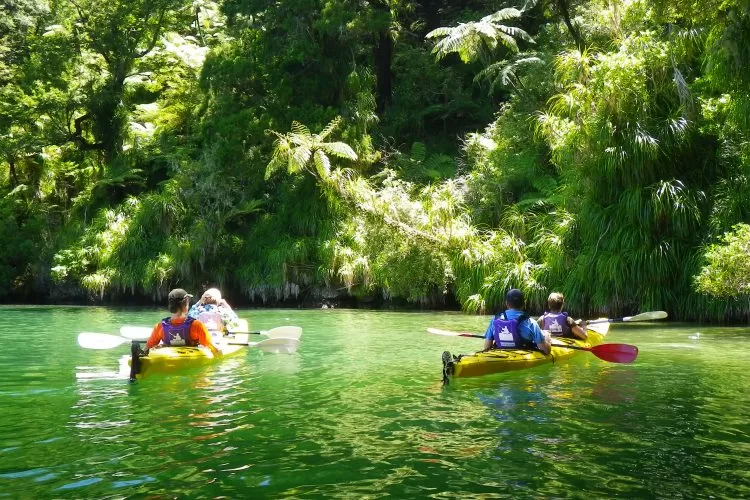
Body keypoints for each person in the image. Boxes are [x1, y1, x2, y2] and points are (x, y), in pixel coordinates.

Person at [145, 288, 219, 356]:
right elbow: (212, 347)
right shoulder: (196, 325)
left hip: (168, 360)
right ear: (185, 306)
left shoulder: (160, 326)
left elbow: (147, 347)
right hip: (190, 360)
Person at [483, 288, 551, 355]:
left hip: (500, 355)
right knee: (545, 334)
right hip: (523, 357)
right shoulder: (531, 323)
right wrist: (547, 337)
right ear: (523, 304)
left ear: (506, 303)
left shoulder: (495, 320)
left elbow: (486, 347)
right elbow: (545, 351)